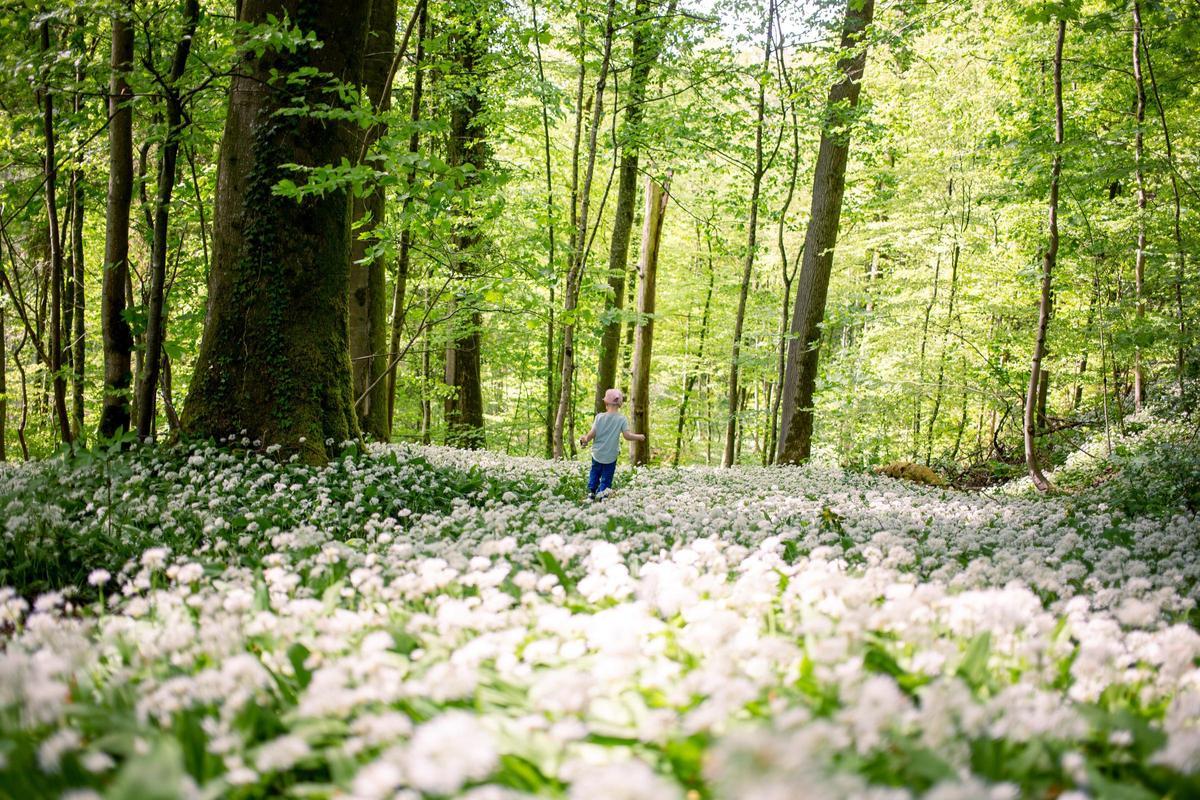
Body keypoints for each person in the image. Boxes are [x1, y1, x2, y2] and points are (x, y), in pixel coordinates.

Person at [579, 388, 645, 498]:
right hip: (611, 456)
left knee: (595, 472)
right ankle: (603, 496)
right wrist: (638, 436)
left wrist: (585, 439)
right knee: (607, 477)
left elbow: (592, 433)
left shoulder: (599, 417)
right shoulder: (622, 419)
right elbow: (627, 436)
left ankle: (591, 492)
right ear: (620, 405)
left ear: (606, 403)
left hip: (597, 454)